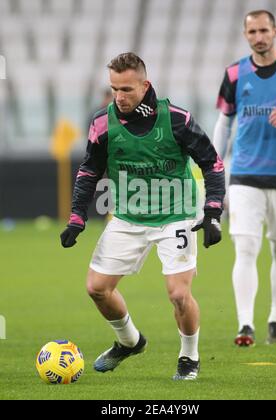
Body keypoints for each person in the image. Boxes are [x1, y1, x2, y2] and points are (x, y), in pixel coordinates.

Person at [61, 53, 225, 380]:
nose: (119, 97)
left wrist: (213, 210)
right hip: (128, 217)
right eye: (114, 89)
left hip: (176, 216)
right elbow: (89, 169)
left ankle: (189, 357)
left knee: (179, 293)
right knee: (96, 288)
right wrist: (77, 216)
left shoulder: (177, 119)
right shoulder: (102, 123)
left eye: (126, 89)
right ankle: (130, 342)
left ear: (145, 85)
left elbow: (212, 163)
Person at [213, 10, 276, 347]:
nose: (259, 36)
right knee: (245, 248)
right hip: (245, 175)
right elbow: (224, 122)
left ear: (275, 31)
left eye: (264, 30)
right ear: (245, 34)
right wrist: (216, 167)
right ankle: (245, 324)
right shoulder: (234, 72)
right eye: (252, 31)